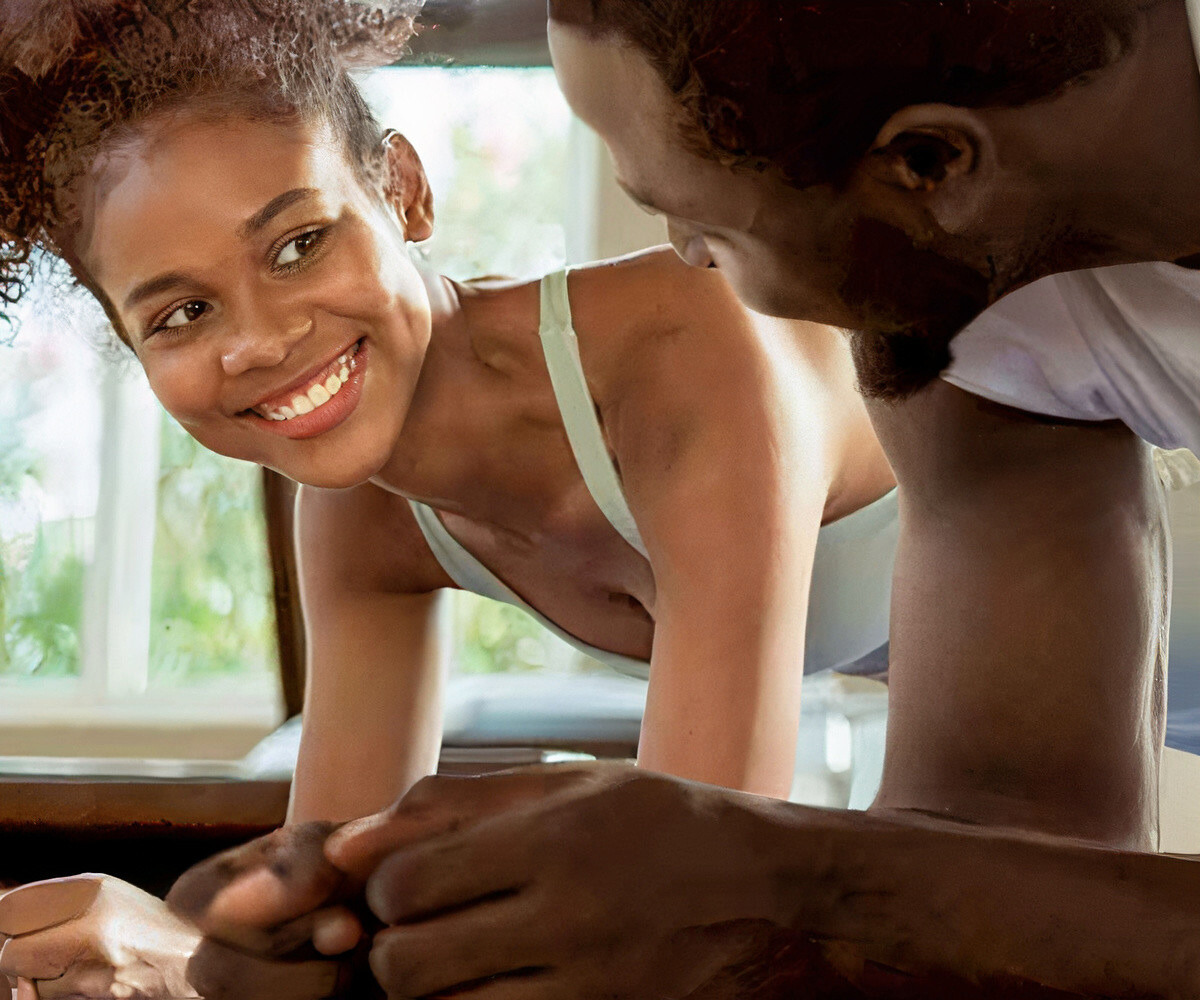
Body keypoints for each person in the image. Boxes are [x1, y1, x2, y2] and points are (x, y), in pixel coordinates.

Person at [0, 1, 1180, 997]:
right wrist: (194, 952)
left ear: (402, 189)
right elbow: (323, 921)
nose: (262, 339)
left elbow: (694, 904)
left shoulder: (696, 357)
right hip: (1041, 683)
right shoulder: (360, 510)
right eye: (181, 313)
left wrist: (205, 951)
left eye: (300, 243)